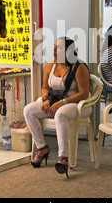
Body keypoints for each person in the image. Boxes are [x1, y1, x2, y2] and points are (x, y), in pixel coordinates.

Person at [23, 37, 91, 178]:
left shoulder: (79, 67)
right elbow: (44, 87)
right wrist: (45, 99)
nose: (54, 50)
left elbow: (84, 93)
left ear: (68, 51)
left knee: (60, 114)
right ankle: (42, 148)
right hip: (56, 103)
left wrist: (64, 102)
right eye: (54, 47)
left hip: (78, 104)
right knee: (29, 110)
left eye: (58, 48)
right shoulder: (50, 66)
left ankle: (63, 158)